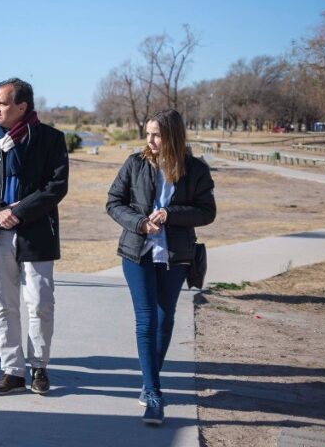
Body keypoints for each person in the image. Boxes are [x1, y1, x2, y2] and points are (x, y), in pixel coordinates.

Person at [107, 109, 216, 425]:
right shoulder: (135, 163)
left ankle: (148, 380)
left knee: (165, 318)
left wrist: (170, 214)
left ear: (173, 135)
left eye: (156, 134)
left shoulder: (195, 170)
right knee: (146, 319)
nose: (150, 140)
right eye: (148, 133)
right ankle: (154, 394)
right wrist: (140, 222)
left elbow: (207, 212)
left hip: (176, 257)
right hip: (136, 254)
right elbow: (114, 202)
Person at [0, 78, 68, 396]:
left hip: (35, 233)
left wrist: (19, 211)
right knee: (4, 306)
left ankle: (39, 368)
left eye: (2, 103)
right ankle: (12, 371)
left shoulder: (50, 139)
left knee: (40, 304)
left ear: (22, 107)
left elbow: (56, 185)